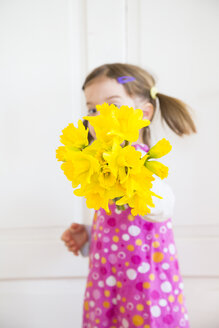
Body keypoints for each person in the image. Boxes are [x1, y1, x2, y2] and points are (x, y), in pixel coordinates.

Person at [61, 63, 196, 328]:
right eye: (92, 109)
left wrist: (133, 178)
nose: (99, 117)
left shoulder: (142, 163)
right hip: (108, 285)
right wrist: (89, 236)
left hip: (146, 288)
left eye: (112, 106)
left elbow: (160, 206)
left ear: (144, 114)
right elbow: (121, 224)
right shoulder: (101, 164)